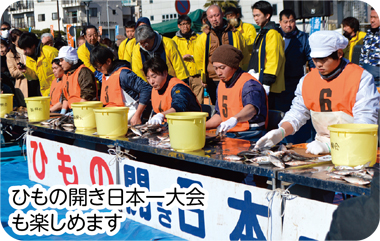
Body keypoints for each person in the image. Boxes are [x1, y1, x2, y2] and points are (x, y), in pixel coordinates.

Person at [256, 30, 380, 155]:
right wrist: (281, 131)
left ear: (340, 53)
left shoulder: (361, 78)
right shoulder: (307, 80)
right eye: (315, 59)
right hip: (319, 148)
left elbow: (365, 122)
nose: (319, 64)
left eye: (324, 59)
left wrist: (331, 146)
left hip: (356, 149)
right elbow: (297, 113)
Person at [205, 44, 267, 141]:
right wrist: (202, 126)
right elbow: (220, 114)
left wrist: (235, 119)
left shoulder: (249, 84)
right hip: (229, 134)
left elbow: (252, 109)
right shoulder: (221, 84)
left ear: (233, 66)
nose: (218, 72)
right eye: (215, 68)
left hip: (250, 135)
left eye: (222, 67)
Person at [194, 5, 249, 105]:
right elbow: (199, 59)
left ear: (222, 14)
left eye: (216, 15)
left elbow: (244, 54)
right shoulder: (203, 37)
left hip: (233, 77)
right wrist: (203, 77)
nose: (214, 19)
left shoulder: (235, 33)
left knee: (234, 104)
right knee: (217, 106)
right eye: (210, 17)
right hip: (213, 78)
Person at [277, 9, 315, 143]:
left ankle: (300, 142)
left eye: (291, 21)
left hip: (295, 82)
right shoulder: (274, 36)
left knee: (297, 113)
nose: (288, 25)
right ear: (280, 22)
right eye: (285, 22)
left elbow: (311, 60)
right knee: (280, 115)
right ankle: (282, 140)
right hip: (277, 84)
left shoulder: (303, 38)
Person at [90, 46, 152, 126]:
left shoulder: (124, 74)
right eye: (96, 68)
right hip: (115, 120)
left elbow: (146, 89)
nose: (98, 70)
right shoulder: (105, 75)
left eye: (99, 67)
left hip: (131, 121)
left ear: (108, 61)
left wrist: (138, 115)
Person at [248, 1, 285, 110]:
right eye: (254, 15)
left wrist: (267, 82)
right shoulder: (263, 33)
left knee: (272, 115)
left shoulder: (272, 33)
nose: (255, 18)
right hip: (261, 81)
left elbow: (273, 59)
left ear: (267, 15)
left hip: (270, 85)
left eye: (258, 15)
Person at [143, 57, 201, 125]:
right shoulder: (155, 88)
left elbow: (179, 106)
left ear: (165, 73)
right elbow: (156, 111)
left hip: (188, 125)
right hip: (166, 126)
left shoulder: (178, 87)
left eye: (154, 77)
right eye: (148, 78)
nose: (151, 81)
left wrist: (161, 115)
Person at [172, 14, 203, 104]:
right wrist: (182, 57)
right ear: (179, 26)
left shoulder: (198, 38)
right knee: (185, 99)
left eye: (187, 23)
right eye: (183, 24)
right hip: (182, 75)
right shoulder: (174, 40)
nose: (185, 26)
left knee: (198, 101)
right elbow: (172, 57)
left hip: (197, 74)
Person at [57, 46, 98, 113]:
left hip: (86, 111)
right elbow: (65, 98)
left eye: (62, 60)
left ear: (69, 60)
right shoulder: (65, 74)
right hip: (72, 110)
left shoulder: (83, 72)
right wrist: (63, 112)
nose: (60, 63)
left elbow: (87, 96)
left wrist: (76, 112)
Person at [17, 32, 58, 96]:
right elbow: (34, 77)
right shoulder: (30, 58)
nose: (24, 52)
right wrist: (26, 71)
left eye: (25, 49)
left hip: (57, 90)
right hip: (44, 93)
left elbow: (62, 73)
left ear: (33, 46)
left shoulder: (51, 52)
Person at [6, 29, 30, 106]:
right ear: (13, 42)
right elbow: (13, 73)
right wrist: (25, 70)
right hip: (22, 84)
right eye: (19, 40)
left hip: (35, 82)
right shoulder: (10, 54)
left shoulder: (30, 50)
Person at [359, 7, 380, 85]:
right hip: (366, 78)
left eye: (375, 17)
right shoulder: (368, 34)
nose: (372, 20)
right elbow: (362, 55)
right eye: (371, 17)